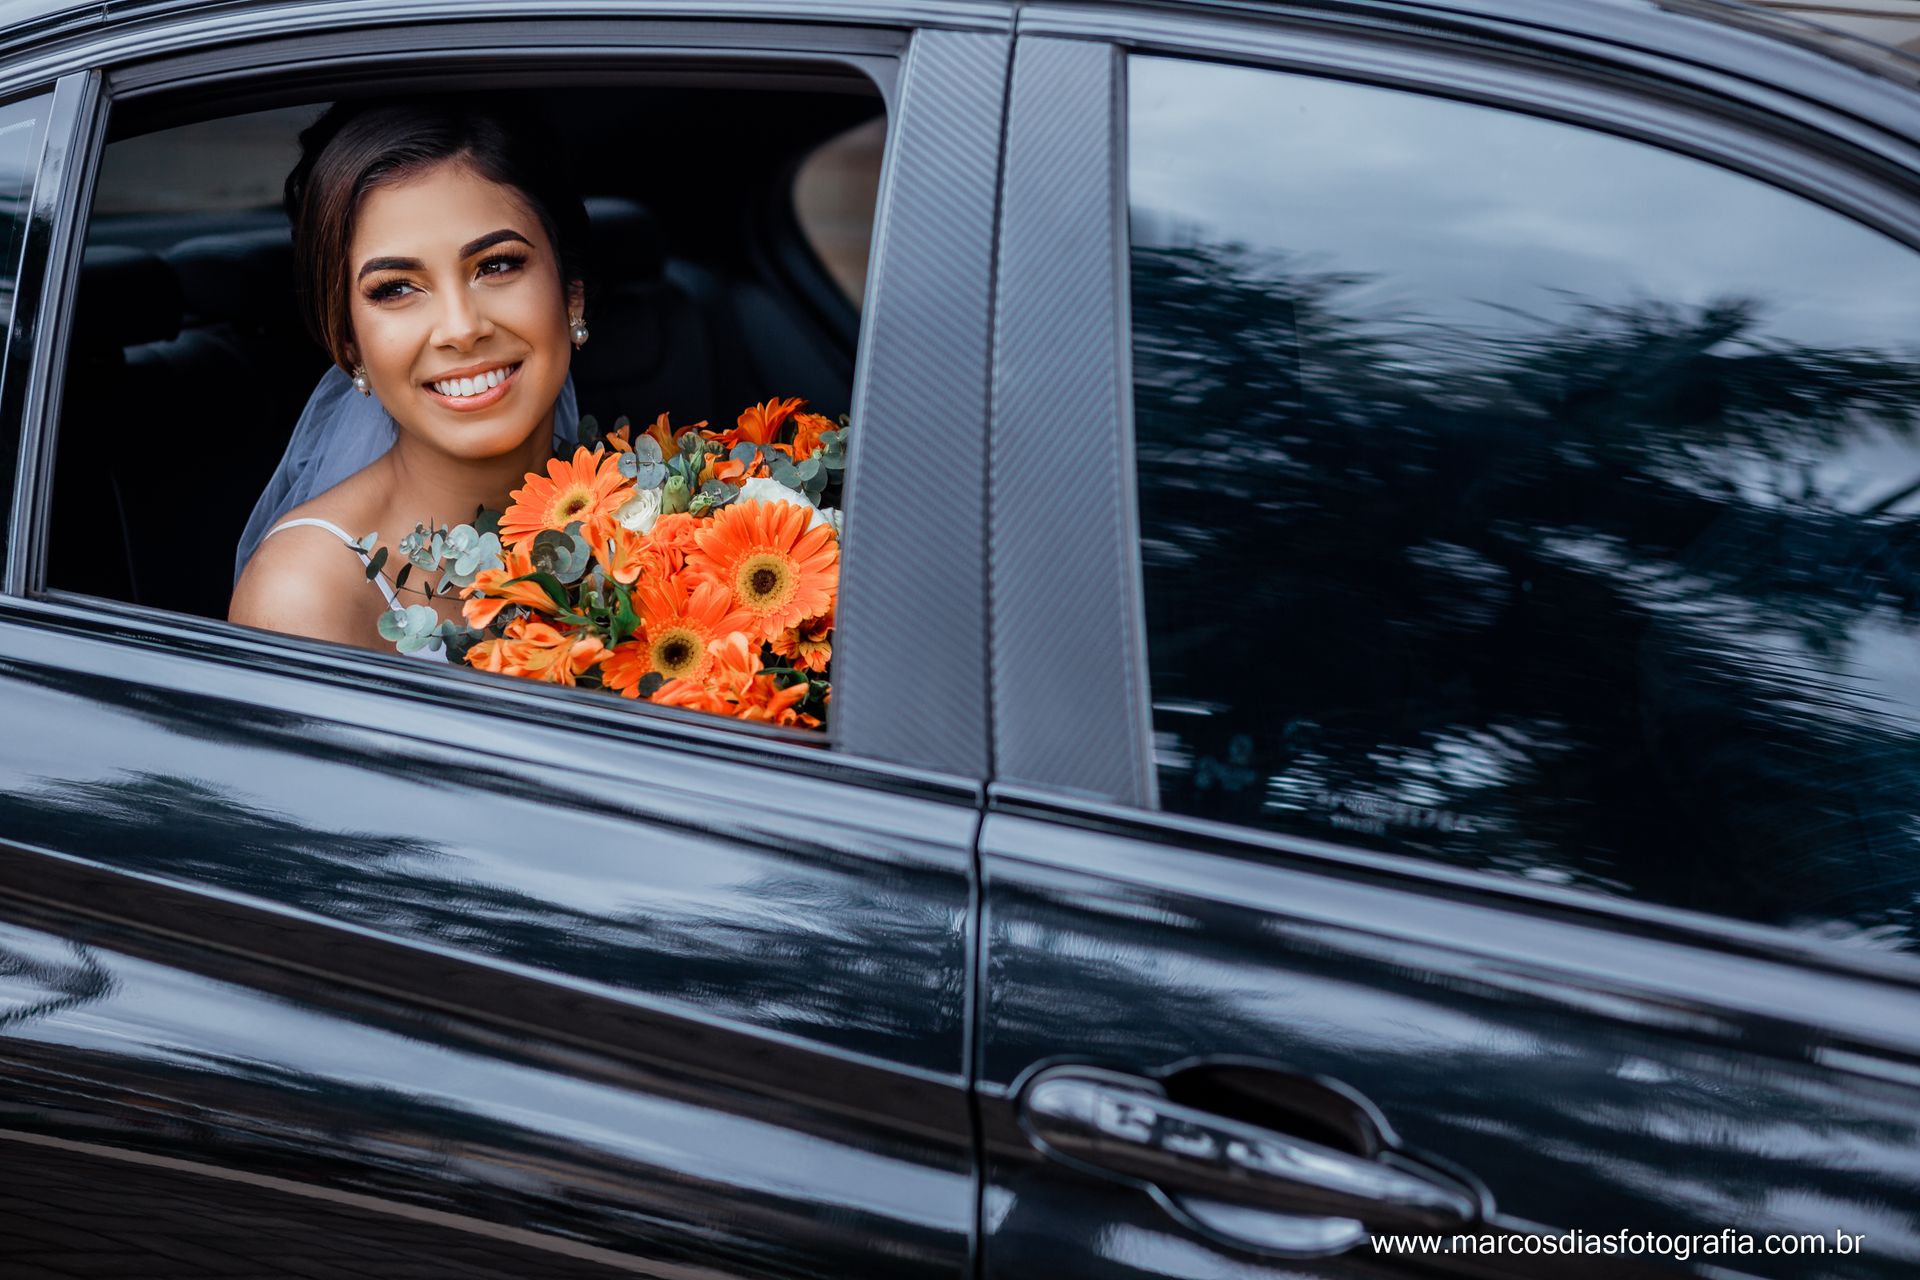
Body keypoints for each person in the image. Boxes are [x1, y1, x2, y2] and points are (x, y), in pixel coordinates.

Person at [229, 100, 590, 658]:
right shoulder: (306, 595)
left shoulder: (656, 516)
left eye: (496, 265)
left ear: (571, 295)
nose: (461, 329)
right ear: (348, 344)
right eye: (396, 288)